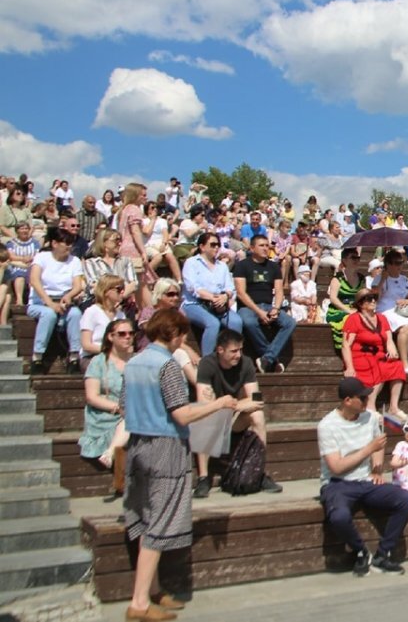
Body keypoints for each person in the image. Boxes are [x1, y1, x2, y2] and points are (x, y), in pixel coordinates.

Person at [122, 309, 244, 620]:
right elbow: (181, 414)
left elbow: (123, 406)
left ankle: (152, 590)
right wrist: (219, 403)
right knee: (159, 522)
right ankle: (138, 602)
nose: (184, 340)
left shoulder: (133, 362)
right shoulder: (168, 366)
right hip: (165, 447)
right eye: (182, 335)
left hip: (137, 445)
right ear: (173, 335)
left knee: (145, 518)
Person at [318, 376, 408, 577]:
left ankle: (382, 555)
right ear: (347, 401)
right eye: (361, 398)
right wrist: (368, 450)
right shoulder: (327, 426)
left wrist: (377, 469)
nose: (366, 401)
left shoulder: (370, 417)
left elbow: (378, 444)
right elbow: (336, 467)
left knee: (405, 499)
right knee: (339, 516)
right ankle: (361, 551)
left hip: (366, 481)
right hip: (338, 483)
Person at [193, 330, 281, 498]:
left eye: (240, 350)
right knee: (204, 418)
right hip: (213, 418)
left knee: (258, 415)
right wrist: (236, 404)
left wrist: (231, 405)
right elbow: (203, 404)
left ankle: (259, 472)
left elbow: (257, 399)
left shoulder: (246, 363)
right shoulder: (207, 364)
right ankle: (204, 478)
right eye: (234, 351)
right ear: (220, 350)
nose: (238, 355)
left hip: (232, 416)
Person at [80, 319, 133, 496]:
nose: (128, 337)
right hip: (104, 414)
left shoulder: (136, 362)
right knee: (131, 420)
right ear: (110, 337)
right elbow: (92, 396)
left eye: (131, 333)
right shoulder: (98, 362)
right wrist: (119, 407)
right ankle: (118, 472)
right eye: (122, 334)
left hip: (131, 413)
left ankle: (111, 456)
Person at [231, 234, 296, 373]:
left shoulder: (273, 266)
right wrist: (258, 311)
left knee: (290, 322)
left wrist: (276, 308)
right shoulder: (242, 265)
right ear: (252, 248)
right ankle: (272, 359)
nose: (266, 248)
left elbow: (279, 291)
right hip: (248, 306)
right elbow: (241, 293)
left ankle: (267, 358)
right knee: (249, 322)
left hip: (267, 305)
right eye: (261, 245)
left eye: (267, 245)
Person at [27, 226, 85, 373]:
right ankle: (37, 356)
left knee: (75, 314)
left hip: (64, 302)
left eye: (71, 243)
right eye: (66, 243)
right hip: (40, 302)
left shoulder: (75, 261)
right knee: (49, 314)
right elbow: (34, 280)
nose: (69, 247)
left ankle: (74, 357)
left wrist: (69, 296)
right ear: (55, 243)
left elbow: (77, 285)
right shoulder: (42, 257)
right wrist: (50, 303)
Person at [341, 288, 407, 419]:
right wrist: (349, 367)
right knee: (376, 367)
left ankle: (394, 407)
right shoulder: (353, 319)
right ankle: (370, 407)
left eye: (374, 298)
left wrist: (392, 350)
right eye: (369, 299)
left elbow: (388, 340)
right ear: (360, 304)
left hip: (379, 354)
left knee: (397, 366)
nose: (373, 301)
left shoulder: (382, 318)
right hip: (360, 355)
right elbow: (346, 344)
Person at [181, 232, 243, 358]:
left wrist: (225, 296)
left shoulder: (222, 266)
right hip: (194, 304)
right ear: (202, 246)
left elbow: (230, 288)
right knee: (213, 323)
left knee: (236, 322)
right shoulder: (191, 263)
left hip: (219, 304)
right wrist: (214, 298)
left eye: (218, 245)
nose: (216, 248)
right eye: (213, 245)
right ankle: (207, 361)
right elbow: (192, 287)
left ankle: (232, 356)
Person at [326, 248, 365, 355]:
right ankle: (349, 350)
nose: (356, 260)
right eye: (353, 257)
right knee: (352, 319)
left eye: (357, 257)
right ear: (344, 260)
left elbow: (362, 296)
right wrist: (348, 310)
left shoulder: (362, 278)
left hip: (356, 308)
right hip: (338, 310)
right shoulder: (338, 278)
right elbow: (333, 299)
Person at [80, 274, 127, 360]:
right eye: (119, 289)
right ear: (106, 292)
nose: (122, 292)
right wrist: (108, 350)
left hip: (115, 357)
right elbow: (86, 345)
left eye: (123, 288)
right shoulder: (91, 312)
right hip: (92, 357)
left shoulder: (121, 315)